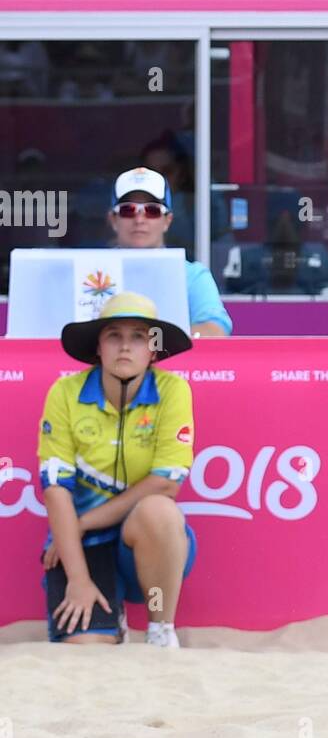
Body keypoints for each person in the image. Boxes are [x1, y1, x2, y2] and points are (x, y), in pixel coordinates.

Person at [37, 292, 197, 649]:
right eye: (114, 335)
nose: (125, 346)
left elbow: (167, 484)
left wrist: (81, 523)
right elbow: (54, 488)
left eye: (139, 337)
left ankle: (160, 627)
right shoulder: (65, 392)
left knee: (159, 509)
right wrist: (77, 577)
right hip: (82, 547)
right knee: (85, 650)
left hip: (144, 542)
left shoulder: (173, 390)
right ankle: (109, 618)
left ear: (153, 351)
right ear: (99, 347)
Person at [109, 166, 232, 336]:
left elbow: (215, 329)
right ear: (113, 219)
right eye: (127, 210)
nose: (139, 219)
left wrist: (150, 348)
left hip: (172, 363)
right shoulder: (90, 272)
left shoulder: (192, 275)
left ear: (167, 220)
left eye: (152, 210)